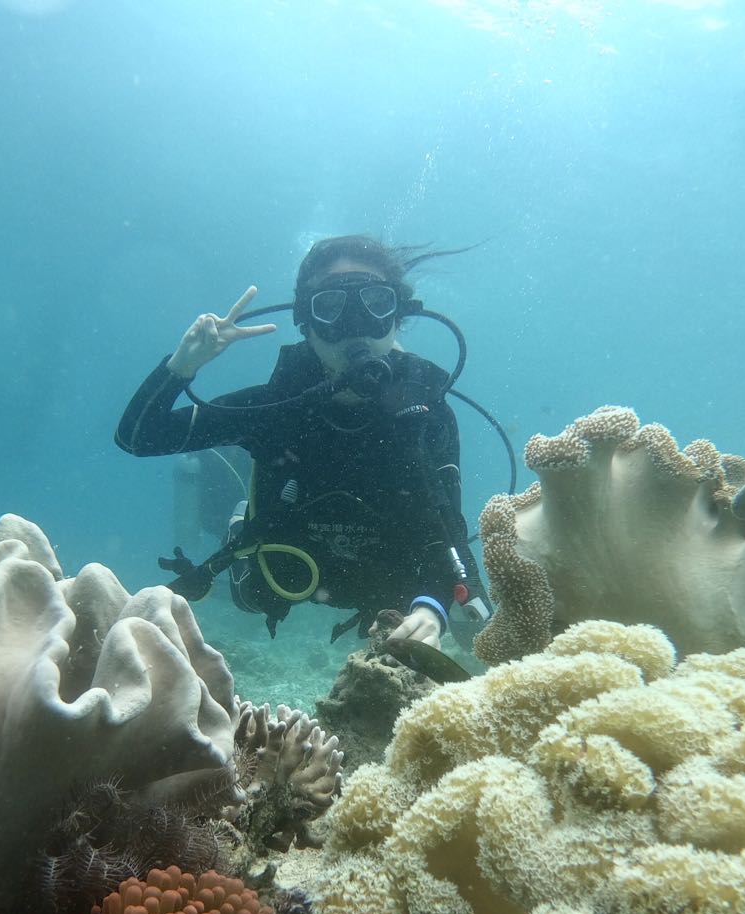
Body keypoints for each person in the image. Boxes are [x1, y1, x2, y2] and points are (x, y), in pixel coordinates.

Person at [115, 235, 490, 652]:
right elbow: (138, 438)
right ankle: (242, 522)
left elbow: (447, 530)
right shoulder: (276, 407)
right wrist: (182, 366)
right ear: (306, 325)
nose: (353, 326)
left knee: (437, 625)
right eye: (329, 307)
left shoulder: (425, 413)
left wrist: (431, 609)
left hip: (383, 583)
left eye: (375, 303)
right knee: (253, 596)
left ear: (399, 315)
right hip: (283, 571)